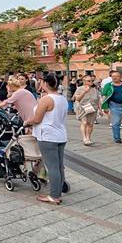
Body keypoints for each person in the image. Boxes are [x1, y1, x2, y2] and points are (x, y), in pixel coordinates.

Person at [25, 73, 68, 205]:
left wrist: (27, 122)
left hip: (47, 135)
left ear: (44, 83)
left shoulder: (46, 99)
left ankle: (54, 196)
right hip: (60, 135)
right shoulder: (62, 98)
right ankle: (58, 191)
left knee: (52, 166)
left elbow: (37, 119)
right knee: (59, 166)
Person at [73, 75, 98, 145]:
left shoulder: (95, 90)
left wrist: (100, 110)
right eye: (89, 81)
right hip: (82, 108)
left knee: (90, 124)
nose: (91, 82)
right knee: (84, 122)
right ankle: (84, 138)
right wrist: (84, 92)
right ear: (84, 81)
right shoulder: (79, 89)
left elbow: (97, 100)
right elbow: (77, 99)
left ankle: (88, 138)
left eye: (92, 81)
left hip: (92, 108)